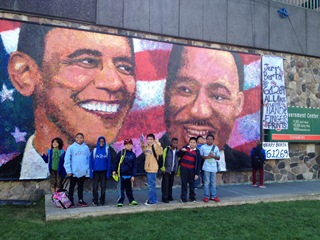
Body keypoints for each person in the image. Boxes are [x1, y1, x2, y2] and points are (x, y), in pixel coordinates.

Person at [6, 23, 136, 179]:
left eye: (125, 67)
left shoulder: (127, 167)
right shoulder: (8, 175)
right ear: (24, 73)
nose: (114, 83)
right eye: (87, 61)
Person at [162, 45, 251, 171]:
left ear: (238, 104)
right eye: (185, 90)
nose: (200, 112)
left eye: (218, 96)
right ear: (166, 93)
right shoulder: (143, 164)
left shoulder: (246, 165)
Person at [64, 133, 90, 208]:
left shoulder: (86, 148)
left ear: (83, 138)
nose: (79, 139)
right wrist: (69, 171)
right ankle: (70, 201)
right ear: (75, 138)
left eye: (81, 137)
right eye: (77, 137)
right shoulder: (71, 147)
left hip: (82, 172)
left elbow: (88, 159)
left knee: (81, 187)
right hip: (73, 172)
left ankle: (80, 200)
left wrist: (86, 169)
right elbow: (67, 160)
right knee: (72, 187)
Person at [112, 139, 138, 207]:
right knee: (121, 189)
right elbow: (116, 162)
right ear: (124, 145)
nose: (128, 146)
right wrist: (114, 170)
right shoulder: (121, 153)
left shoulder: (133, 155)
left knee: (129, 189)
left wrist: (133, 175)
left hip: (129, 175)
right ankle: (120, 201)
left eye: (130, 144)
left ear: (132, 145)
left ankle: (131, 200)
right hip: (121, 175)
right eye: (126, 144)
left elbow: (134, 166)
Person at [89, 136, 112, 206]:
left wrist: (108, 172)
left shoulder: (107, 150)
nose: (101, 143)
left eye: (103, 141)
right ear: (98, 142)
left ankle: (102, 200)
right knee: (95, 187)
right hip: (96, 172)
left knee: (103, 187)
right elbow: (91, 162)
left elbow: (109, 162)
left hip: (104, 172)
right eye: (100, 141)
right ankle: (95, 200)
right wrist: (91, 172)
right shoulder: (94, 150)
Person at [141, 133, 163, 205]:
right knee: (151, 185)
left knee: (151, 186)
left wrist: (158, 143)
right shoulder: (148, 147)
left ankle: (152, 201)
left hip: (153, 169)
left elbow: (160, 152)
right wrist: (142, 144)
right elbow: (144, 152)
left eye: (151, 139)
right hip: (148, 169)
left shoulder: (155, 146)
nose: (149, 140)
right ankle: (154, 199)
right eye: (148, 139)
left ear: (153, 140)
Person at [178, 137, 201, 203]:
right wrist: (181, 151)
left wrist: (197, 173)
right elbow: (178, 155)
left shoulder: (197, 152)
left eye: (194, 143)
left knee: (192, 184)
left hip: (192, 170)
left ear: (196, 144)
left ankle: (192, 197)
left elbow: (198, 163)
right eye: (191, 142)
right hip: (184, 169)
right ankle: (183, 198)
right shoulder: (185, 148)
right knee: (184, 184)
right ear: (189, 142)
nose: (192, 144)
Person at [200, 134, 221, 202]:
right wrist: (207, 157)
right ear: (206, 140)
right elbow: (201, 156)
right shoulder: (203, 147)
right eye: (208, 139)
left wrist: (214, 156)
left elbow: (218, 157)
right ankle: (206, 196)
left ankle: (213, 196)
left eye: (211, 139)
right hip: (206, 168)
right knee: (206, 182)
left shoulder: (216, 148)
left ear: (213, 140)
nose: (209, 140)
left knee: (213, 182)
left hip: (213, 168)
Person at [160, 137, 179, 203]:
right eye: (174, 143)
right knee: (165, 184)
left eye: (176, 143)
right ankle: (164, 197)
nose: (175, 144)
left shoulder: (177, 151)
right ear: (171, 143)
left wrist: (177, 170)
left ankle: (169, 196)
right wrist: (163, 168)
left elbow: (177, 161)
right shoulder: (167, 149)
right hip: (166, 170)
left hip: (172, 170)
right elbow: (163, 159)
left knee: (170, 184)